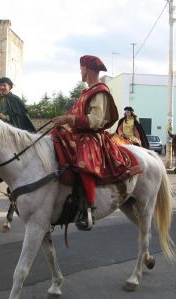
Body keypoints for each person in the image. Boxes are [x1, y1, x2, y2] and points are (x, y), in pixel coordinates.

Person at [52, 55, 128, 231]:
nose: (80, 71)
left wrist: (67, 118)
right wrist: (62, 121)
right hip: (77, 134)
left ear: (87, 69)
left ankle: (88, 210)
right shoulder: (85, 92)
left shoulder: (99, 91)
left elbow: (95, 120)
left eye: (81, 68)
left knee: (84, 161)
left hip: (90, 137)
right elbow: (74, 115)